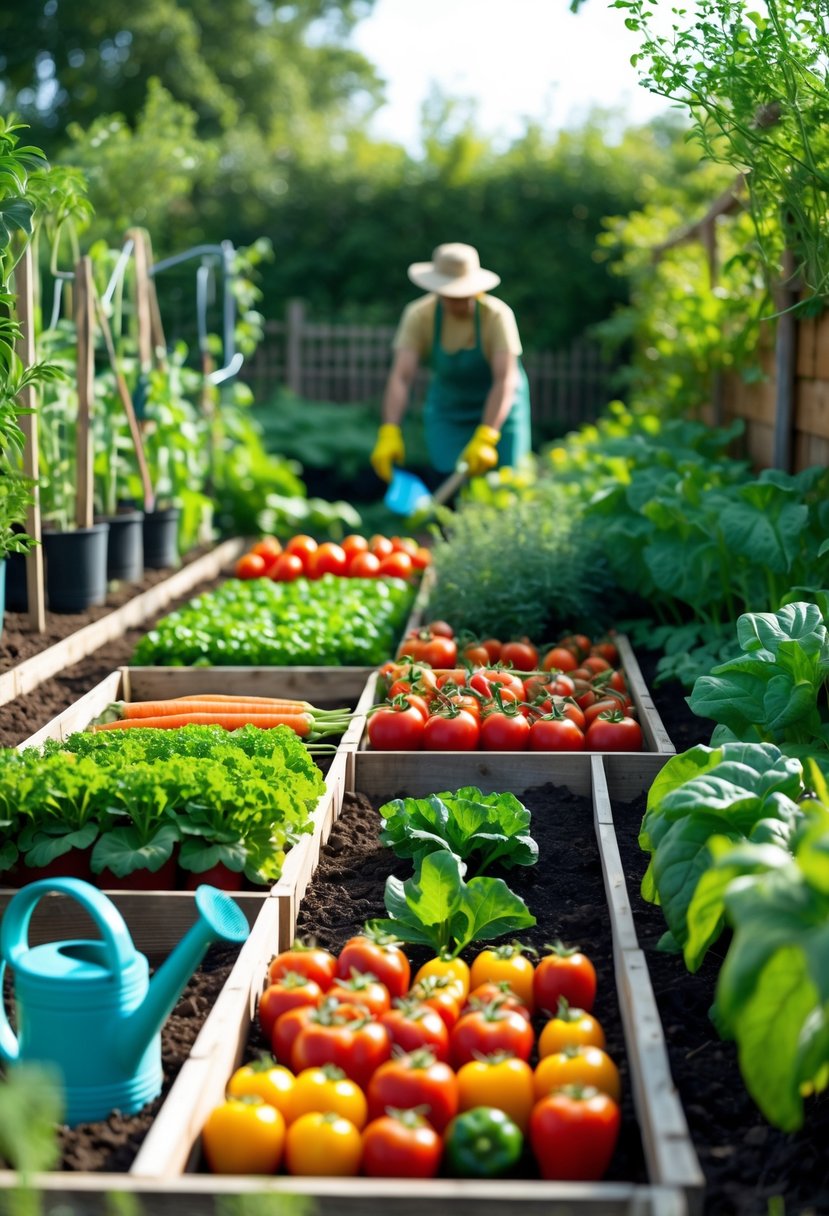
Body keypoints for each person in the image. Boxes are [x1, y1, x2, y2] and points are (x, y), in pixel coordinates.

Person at [370, 242, 532, 484]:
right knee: (449, 479)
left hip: (501, 406)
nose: (458, 302)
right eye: (451, 295)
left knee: (506, 481)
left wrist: (488, 435)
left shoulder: (497, 316)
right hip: (449, 408)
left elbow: (504, 380)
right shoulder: (419, 315)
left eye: (464, 295)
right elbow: (401, 377)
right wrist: (389, 430)